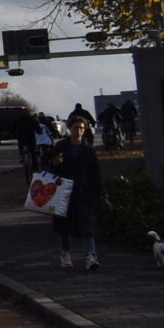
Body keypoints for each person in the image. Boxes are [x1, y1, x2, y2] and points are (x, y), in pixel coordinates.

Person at [52, 112, 107, 270]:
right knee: (65, 225)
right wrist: (55, 162)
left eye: (82, 128)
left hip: (83, 191)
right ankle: (65, 254)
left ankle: (90, 256)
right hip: (64, 189)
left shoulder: (88, 150)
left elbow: (95, 172)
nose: (79, 131)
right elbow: (50, 166)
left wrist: (100, 191)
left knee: (87, 224)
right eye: (76, 128)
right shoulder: (61, 146)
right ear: (70, 128)